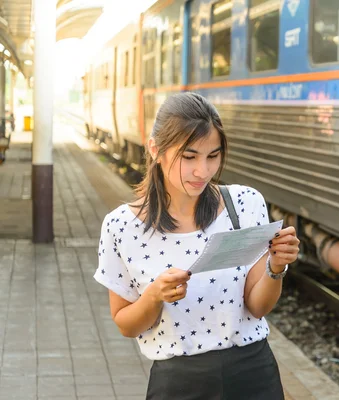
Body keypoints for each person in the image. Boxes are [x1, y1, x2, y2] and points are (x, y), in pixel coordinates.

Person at [93, 92, 299, 400]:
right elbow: (126, 324)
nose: (202, 171)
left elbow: (258, 307)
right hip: (177, 384)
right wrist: (153, 297)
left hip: (254, 375)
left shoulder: (244, 204)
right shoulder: (122, 226)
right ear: (155, 149)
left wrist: (275, 266)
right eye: (189, 157)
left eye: (212, 156)